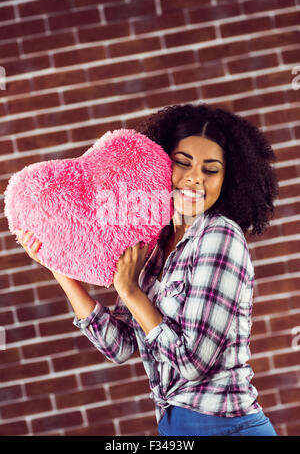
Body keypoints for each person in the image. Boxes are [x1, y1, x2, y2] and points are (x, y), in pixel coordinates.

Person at [16, 104, 279, 436]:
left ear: (229, 180)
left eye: (210, 170)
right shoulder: (155, 243)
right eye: (182, 163)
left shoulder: (220, 237)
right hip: (174, 428)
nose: (195, 177)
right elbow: (121, 345)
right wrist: (56, 263)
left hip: (225, 427)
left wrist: (131, 292)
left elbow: (192, 364)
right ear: (160, 165)